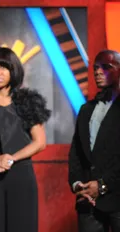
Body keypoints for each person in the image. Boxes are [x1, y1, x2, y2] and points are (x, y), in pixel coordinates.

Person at [0, 47, 50, 232]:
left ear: (14, 70)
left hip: (20, 175)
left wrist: (11, 158)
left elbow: (39, 142)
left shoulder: (26, 101)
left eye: (3, 67)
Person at [68, 50, 120, 232]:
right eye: (96, 68)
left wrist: (103, 185)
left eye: (106, 67)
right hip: (87, 201)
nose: (98, 72)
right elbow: (76, 152)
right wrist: (77, 184)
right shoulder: (86, 109)